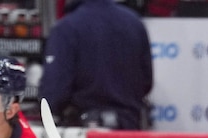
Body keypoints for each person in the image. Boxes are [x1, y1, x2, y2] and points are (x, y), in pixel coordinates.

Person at [40, 0, 152, 129]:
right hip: (128, 126)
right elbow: (146, 81)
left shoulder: (66, 28)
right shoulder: (134, 23)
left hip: (84, 130)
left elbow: (55, 89)